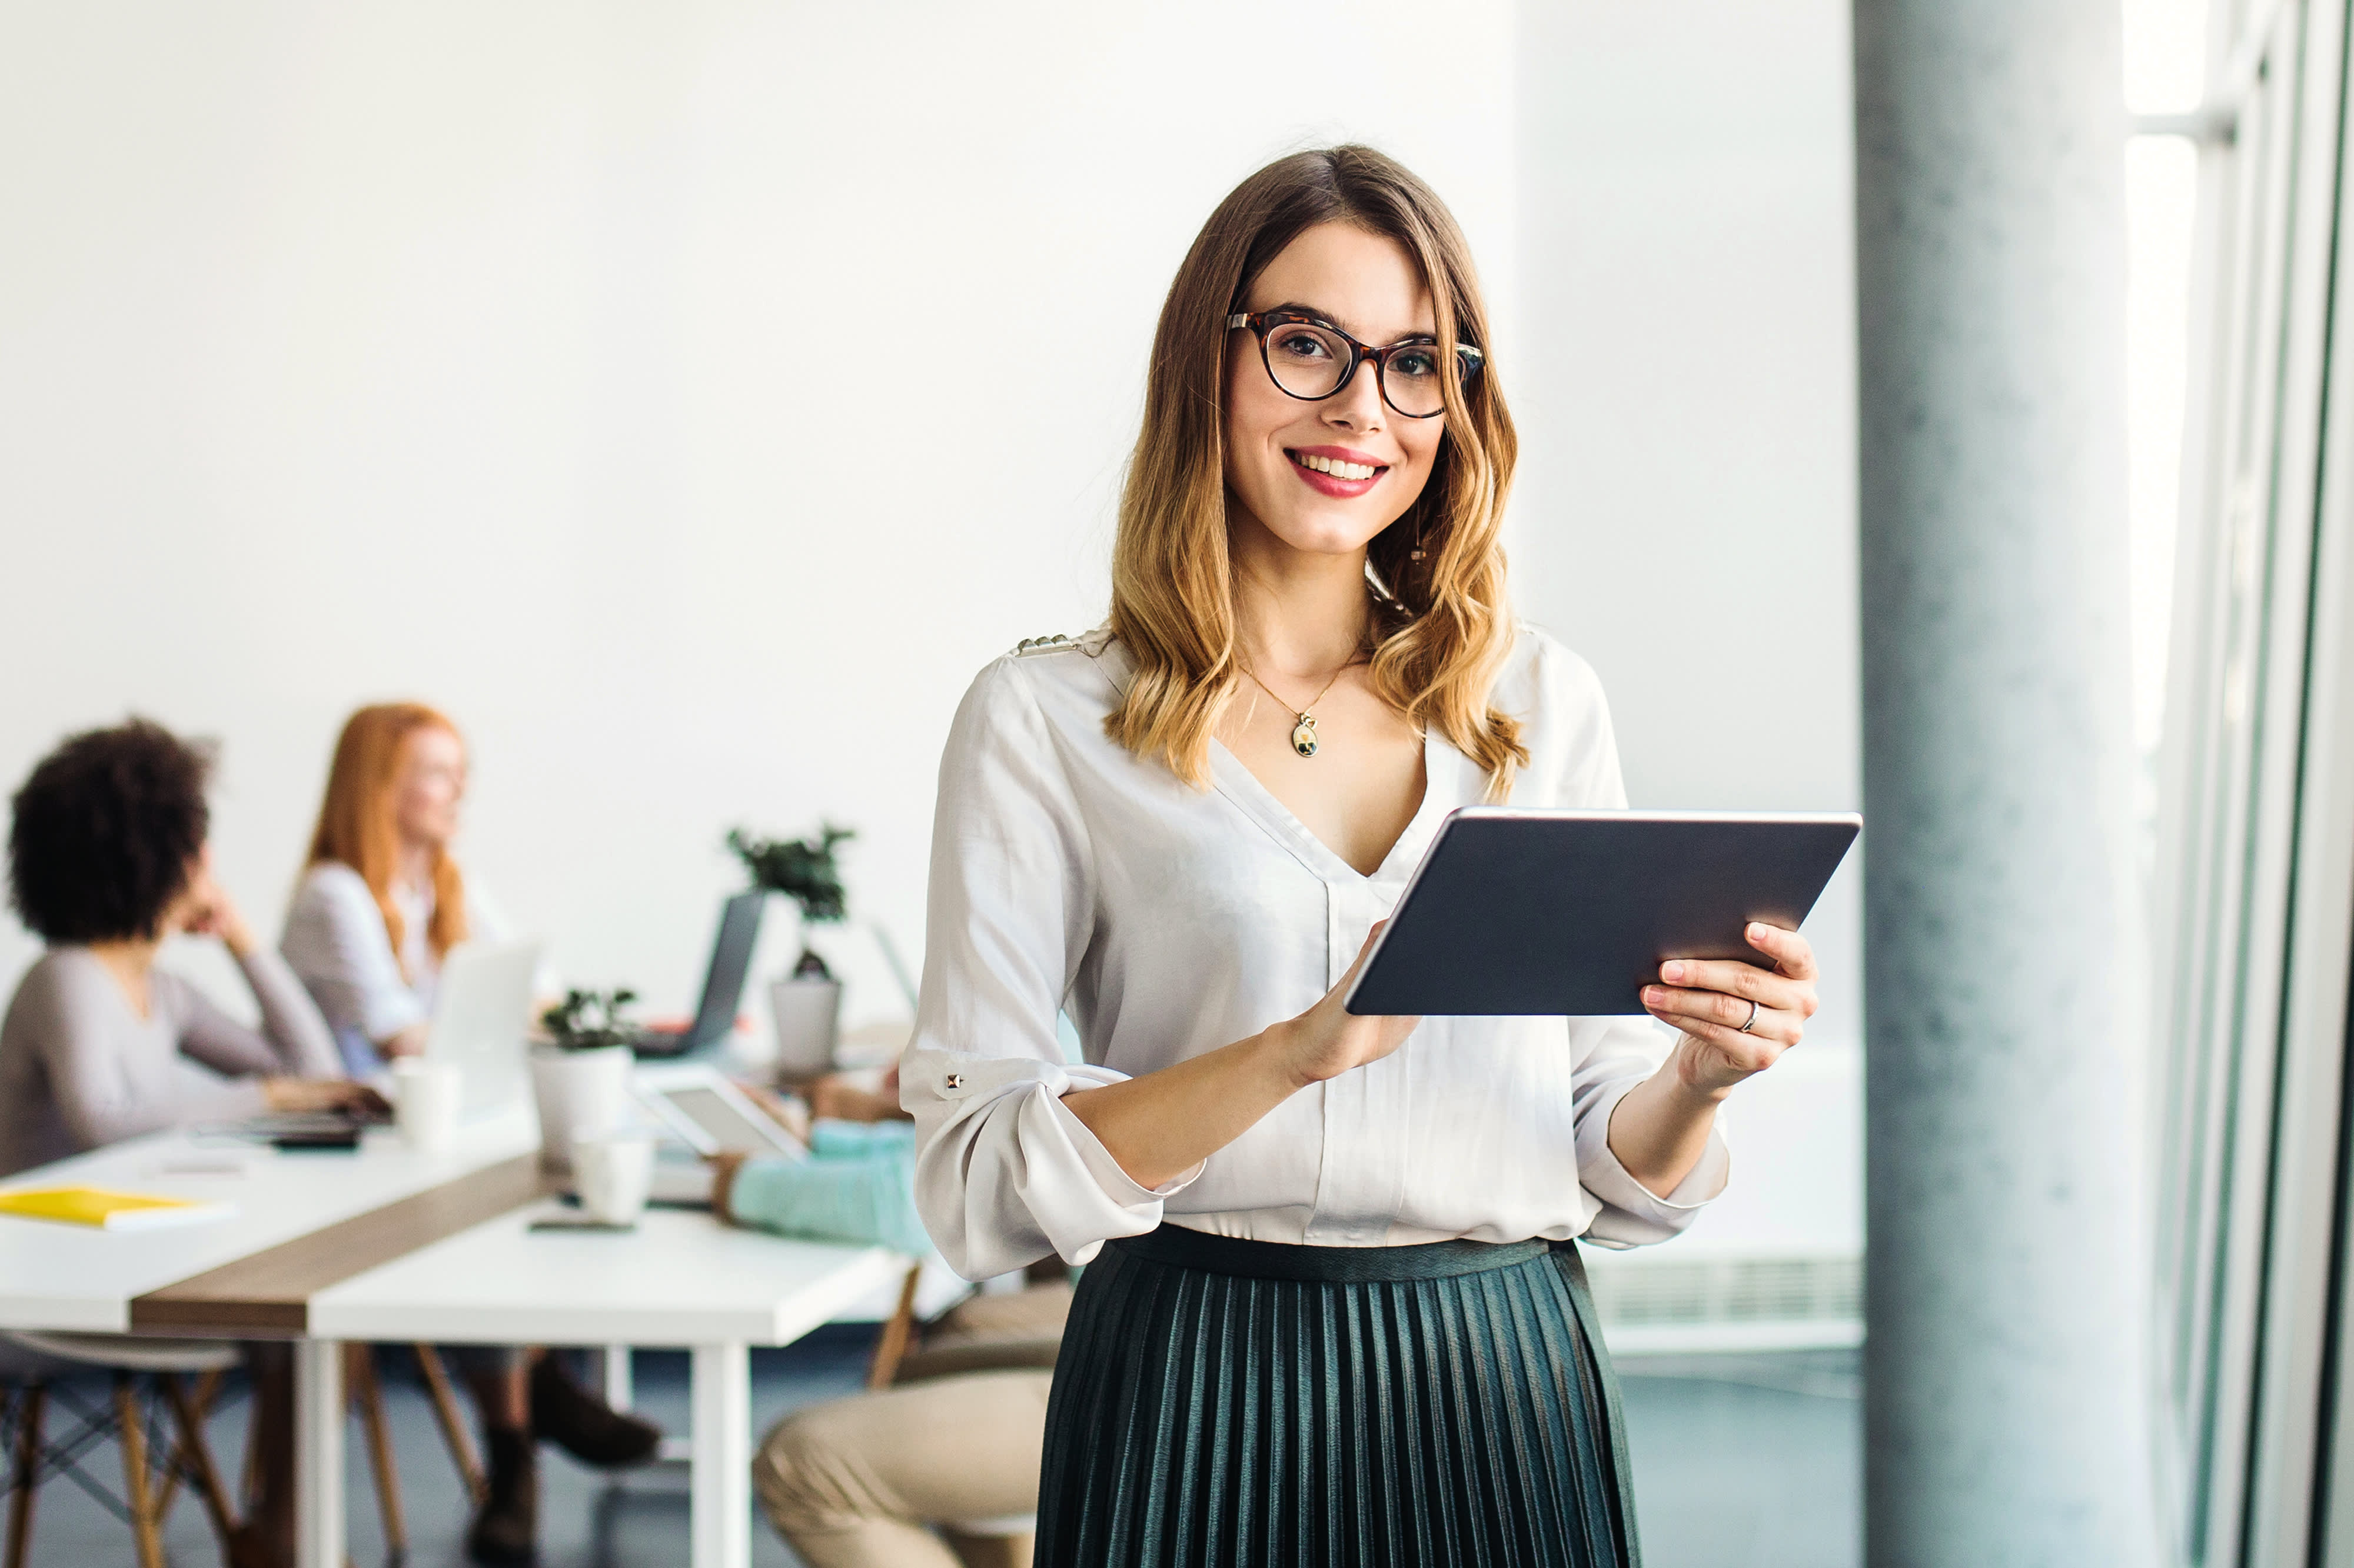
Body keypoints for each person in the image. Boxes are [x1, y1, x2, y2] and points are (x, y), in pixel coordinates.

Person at [904, 146, 1823, 1567]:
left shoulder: (1536, 703)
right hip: (1190, 1369)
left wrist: (1696, 1079)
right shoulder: (1045, 719)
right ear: (1206, 355)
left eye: (1412, 362)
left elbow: (1605, 1153)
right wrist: (1288, 1053)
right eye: (1304, 344)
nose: (1358, 409)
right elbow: (972, 1180)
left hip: (1500, 1376)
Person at [280, 702, 660, 1565]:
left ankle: (533, 1415)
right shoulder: (334, 892)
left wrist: (530, 1013)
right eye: (438, 772)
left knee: (529, 1171)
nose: (459, 792)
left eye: (461, 772)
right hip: (349, 1160)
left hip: (422, 1142)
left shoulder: (444, 880)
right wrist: (502, 1016)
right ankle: (528, 1428)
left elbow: (543, 986)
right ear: (381, 784)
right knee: (478, 1209)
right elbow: (398, 1034)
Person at [0, 718, 378, 1567]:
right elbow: (104, 1115)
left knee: (313, 1314)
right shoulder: (66, 978)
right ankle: (282, 1540)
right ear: (153, 853)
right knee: (294, 1315)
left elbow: (311, 1067)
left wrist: (244, 938)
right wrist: (268, 1096)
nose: (208, 863)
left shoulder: (158, 987)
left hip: (136, 1257)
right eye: (197, 844)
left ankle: (280, 1534)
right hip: (48, 1284)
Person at [714, 1070, 1066, 1568]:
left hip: (1169, 1374)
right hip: (1128, 1336)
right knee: (911, 1374)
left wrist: (748, 1184)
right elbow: (960, 1156)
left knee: (799, 1464)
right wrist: (818, 1138)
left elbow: (924, 1202)